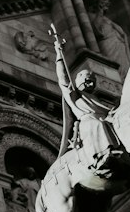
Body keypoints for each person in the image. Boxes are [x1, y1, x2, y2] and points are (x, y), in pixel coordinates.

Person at [51, 27, 118, 175]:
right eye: (86, 79)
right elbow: (63, 79)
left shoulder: (95, 98)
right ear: (78, 81)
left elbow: (107, 112)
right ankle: (100, 158)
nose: (89, 83)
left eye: (92, 81)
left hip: (104, 121)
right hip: (89, 124)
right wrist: (59, 55)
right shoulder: (74, 95)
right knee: (97, 123)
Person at [89, 0, 130, 71]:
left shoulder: (108, 20)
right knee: (113, 67)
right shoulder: (92, 16)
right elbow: (96, 31)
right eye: (105, 0)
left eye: (108, 1)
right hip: (107, 46)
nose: (107, 3)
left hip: (119, 47)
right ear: (98, 1)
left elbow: (123, 34)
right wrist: (100, 12)